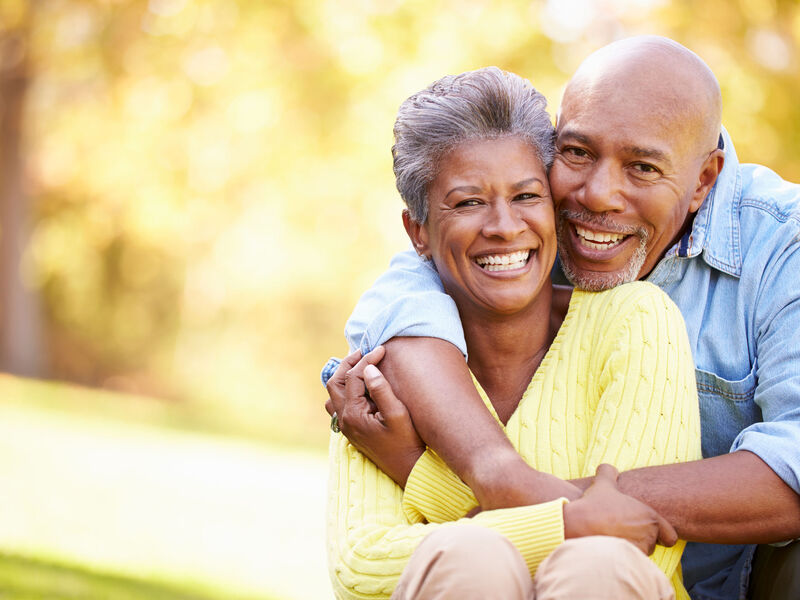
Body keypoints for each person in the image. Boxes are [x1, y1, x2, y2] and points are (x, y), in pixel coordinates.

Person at [324, 36, 800, 599]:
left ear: (703, 181)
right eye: (576, 153)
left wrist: (430, 471)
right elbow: (409, 288)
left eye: (642, 167)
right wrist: (538, 504)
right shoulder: (466, 274)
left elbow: (789, 476)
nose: (596, 195)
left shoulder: (777, 250)